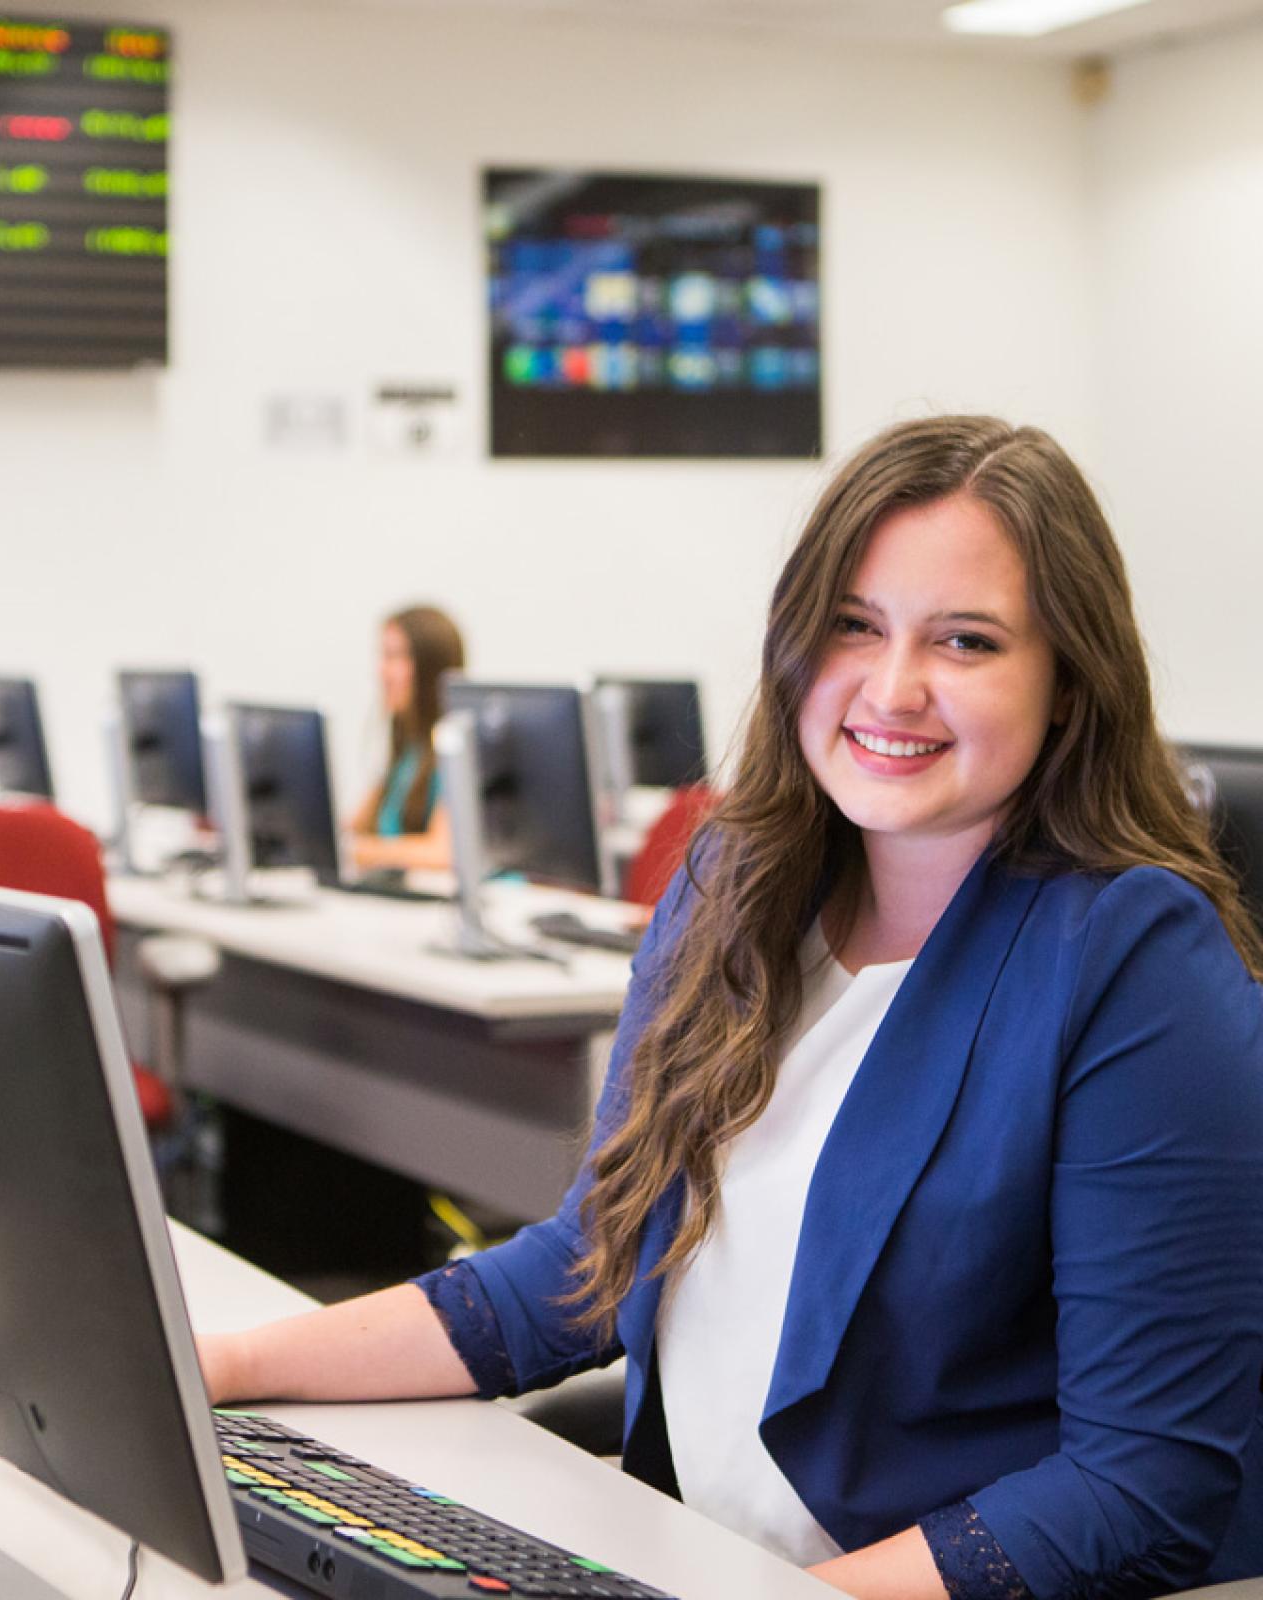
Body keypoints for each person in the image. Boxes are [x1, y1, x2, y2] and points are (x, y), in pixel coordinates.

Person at [198, 417, 1263, 1600]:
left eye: (966, 640)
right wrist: (222, 1361)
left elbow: (1142, 1484)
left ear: (1068, 685)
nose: (893, 686)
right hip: (708, 1563)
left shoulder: (1132, 958)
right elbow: (580, 1268)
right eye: (853, 625)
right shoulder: (733, 891)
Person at [346, 604, 466, 874]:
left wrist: (357, 851)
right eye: (383, 656)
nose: (382, 672)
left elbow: (443, 853)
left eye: (394, 657)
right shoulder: (409, 751)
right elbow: (350, 827)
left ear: (431, 668)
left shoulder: (458, 748)